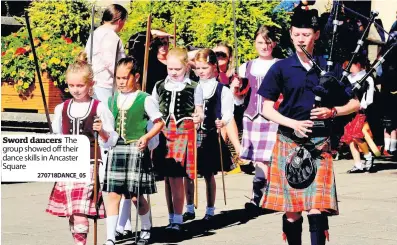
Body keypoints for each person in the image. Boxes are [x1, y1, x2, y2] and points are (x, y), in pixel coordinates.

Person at [258, 8, 360, 245]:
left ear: (315, 35)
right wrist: (293, 123)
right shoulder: (281, 67)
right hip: (288, 141)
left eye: (306, 34)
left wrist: (333, 111)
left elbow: (355, 103)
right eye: (296, 34)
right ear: (291, 35)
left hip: (319, 143)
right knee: (293, 211)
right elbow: (266, 108)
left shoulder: (329, 66)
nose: (301, 39)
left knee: (317, 208)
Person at [46, 52, 117, 245]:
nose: (75, 90)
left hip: (90, 165)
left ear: (91, 85)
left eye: (80, 85)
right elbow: (58, 136)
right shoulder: (62, 108)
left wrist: (101, 130)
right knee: (72, 212)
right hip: (69, 165)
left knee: (79, 212)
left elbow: (111, 139)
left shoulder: (99, 108)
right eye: (71, 85)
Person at [102, 57, 164, 245]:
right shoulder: (111, 100)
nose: (120, 82)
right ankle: (110, 237)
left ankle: (145, 227)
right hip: (117, 149)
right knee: (113, 194)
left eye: (125, 78)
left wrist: (146, 137)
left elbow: (159, 122)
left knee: (137, 196)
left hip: (136, 149)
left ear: (136, 76)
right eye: (118, 78)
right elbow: (108, 127)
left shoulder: (145, 99)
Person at [151, 47, 204, 234]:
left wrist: (198, 118)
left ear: (186, 68)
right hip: (165, 132)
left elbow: (199, 111)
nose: (173, 73)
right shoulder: (159, 86)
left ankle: (179, 219)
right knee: (167, 178)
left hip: (184, 130)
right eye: (170, 69)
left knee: (176, 176)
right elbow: (153, 110)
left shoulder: (194, 87)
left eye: (177, 69)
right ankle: (171, 217)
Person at [183, 48, 234, 223]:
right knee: (189, 173)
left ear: (214, 66)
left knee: (207, 173)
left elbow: (228, 112)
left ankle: (210, 209)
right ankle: (189, 207)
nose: (200, 72)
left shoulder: (222, 90)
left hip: (210, 134)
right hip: (191, 134)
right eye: (197, 68)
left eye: (204, 68)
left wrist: (223, 121)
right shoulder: (191, 87)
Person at [235, 25, 281, 213]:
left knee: (271, 158)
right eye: (260, 42)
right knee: (259, 160)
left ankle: (269, 196)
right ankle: (259, 197)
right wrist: (236, 88)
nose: (264, 46)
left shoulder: (280, 65)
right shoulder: (245, 67)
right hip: (252, 116)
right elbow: (239, 99)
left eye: (268, 43)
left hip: (274, 116)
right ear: (255, 43)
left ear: (274, 44)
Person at [85, 4, 127, 103]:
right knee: (107, 115)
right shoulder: (111, 36)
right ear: (120, 21)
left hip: (94, 82)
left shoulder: (95, 33)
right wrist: (124, 78)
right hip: (105, 84)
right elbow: (111, 63)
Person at [341, 54, 376, 173]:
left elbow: (369, 97)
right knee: (349, 138)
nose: (349, 68)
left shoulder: (367, 78)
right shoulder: (347, 78)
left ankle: (368, 156)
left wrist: (361, 105)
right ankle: (358, 164)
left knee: (356, 135)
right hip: (347, 111)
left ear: (358, 64)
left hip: (360, 111)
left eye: (351, 65)